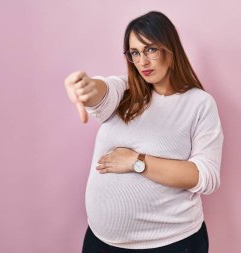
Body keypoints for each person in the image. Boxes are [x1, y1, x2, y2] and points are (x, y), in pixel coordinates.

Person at [64, 11, 224, 253]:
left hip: (171, 243)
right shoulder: (124, 91)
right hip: (101, 241)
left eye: (150, 49)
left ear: (170, 49)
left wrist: (137, 162)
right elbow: (101, 92)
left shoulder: (199, 104)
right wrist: (85, 86)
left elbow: (206, 176)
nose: (142, 62)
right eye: (135, 53)